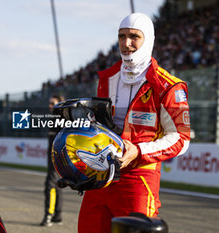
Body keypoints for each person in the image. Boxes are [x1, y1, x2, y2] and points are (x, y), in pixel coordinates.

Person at [77, 13, 191, 233]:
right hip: (102, 174)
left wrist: (137, 151)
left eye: (133, 36)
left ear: (148, 39)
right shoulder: (107, 78)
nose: (126, 43)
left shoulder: (169, 86)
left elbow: (181, 139)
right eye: (121, 36)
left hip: (139, 177)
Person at [40, 95, 65, 227]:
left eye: (53, 103)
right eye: (50, 103)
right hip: (53, 158)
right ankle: (57, 215)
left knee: (50, 185)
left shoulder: (62, 120)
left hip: (57, 159)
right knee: (57, 186)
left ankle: (48, 216)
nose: (50, 106)